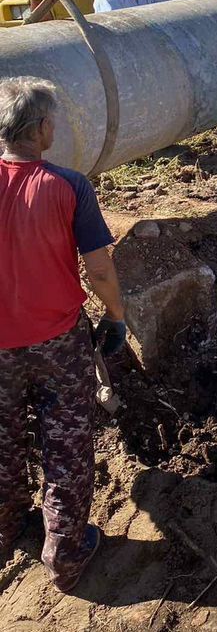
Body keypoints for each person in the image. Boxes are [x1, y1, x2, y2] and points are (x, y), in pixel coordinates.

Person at [0, 78, 126, 592]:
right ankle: (66, 555)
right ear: (43, 128)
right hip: (56, 340)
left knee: (2, 440)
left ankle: (5, 528)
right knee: (66, 447)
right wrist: (115, 316)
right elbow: (98, 269)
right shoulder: (69, 186)